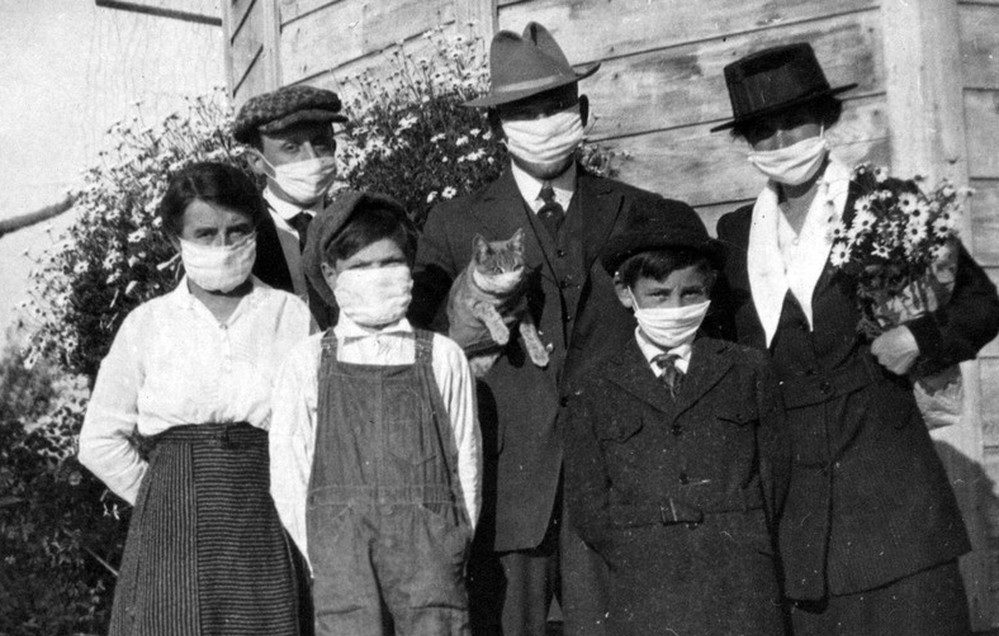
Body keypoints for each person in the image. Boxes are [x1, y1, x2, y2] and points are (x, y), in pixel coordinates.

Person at [411, 21, 711, 635]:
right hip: (509, 481)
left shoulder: (650, 213)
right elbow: (426, 349)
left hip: (624, 478)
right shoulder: (450, 224)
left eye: (556, 106)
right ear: (496, 129)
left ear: (583, 111)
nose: (543, 122)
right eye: (523, 111)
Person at [712, 42, 999, 634]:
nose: (781, 141)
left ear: (825, 119)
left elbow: (979, 305)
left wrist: (920, 337)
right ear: (746, 143)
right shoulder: (738, 233)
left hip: (893, 503)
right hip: (797, 518)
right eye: (762, 131)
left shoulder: (886, 204)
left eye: (794, 121)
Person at [78, 161, 311, 635]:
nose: (223, 246)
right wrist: (161, 496)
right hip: (171, 527)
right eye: (205, 234)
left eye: (237, 231)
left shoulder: (290, 315)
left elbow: (316, 429)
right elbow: (99, 440)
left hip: (263, 517)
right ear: (175, 241)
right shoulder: (148, 324)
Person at [564, 205, 789, 634]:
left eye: (690, 294)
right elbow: (590, 505)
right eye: (659, 295)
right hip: (648, 590)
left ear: (708, 290)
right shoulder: (595, 386)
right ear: (625, 293)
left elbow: (773, 476)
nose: (676, 307)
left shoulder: (747, 370)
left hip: (741, 584)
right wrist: (643, 545)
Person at [269, 191, 481, 635]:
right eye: (361, 267)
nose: (378, 275)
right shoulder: (307, 361)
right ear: (331, 275)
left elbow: (467, 464)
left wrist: (448, 545)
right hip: (342, 561)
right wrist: (325, 553)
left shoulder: (442, 356)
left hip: (430, 560)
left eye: (390, 262)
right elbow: (289, 476)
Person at [234, 84, 347, 329]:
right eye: (291, 148)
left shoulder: (353, 221)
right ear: (256, 161)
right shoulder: (243, 237)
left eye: (320, 143)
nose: (311, 158)